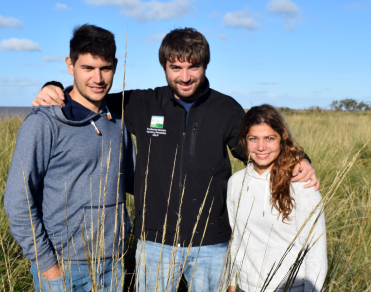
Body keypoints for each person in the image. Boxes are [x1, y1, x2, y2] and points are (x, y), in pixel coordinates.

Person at [32, 27, 320, 292]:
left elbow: (261, 146)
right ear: (164, 67)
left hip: (212, 242)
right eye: (175, 67)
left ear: (205, 65)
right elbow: (91, 94)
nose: (184, 76)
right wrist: (53, 86)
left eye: (193, 67)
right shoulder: (143, 103)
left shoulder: (226, 108)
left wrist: (299, 159)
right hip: (155, 242)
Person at [4, 24, 135, 292]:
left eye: (105, 68)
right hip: (64, 266)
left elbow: (134, 180)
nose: (98, 78)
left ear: (115, 66)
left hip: (113, 262)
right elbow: (17, 201)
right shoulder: (44, 122)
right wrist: (48, 266)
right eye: (87, 68)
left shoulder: (118, 120)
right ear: (70, 65)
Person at [226, 104, 327, 292]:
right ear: (244, 141)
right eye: (253, 139)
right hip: (247, 287)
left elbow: (316, 251)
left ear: (282, 140)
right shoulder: (235, 183)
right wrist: (231, 283)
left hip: (291, 287)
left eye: (269, 138)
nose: (261, 147)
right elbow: (236, 238)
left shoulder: (301, 184)